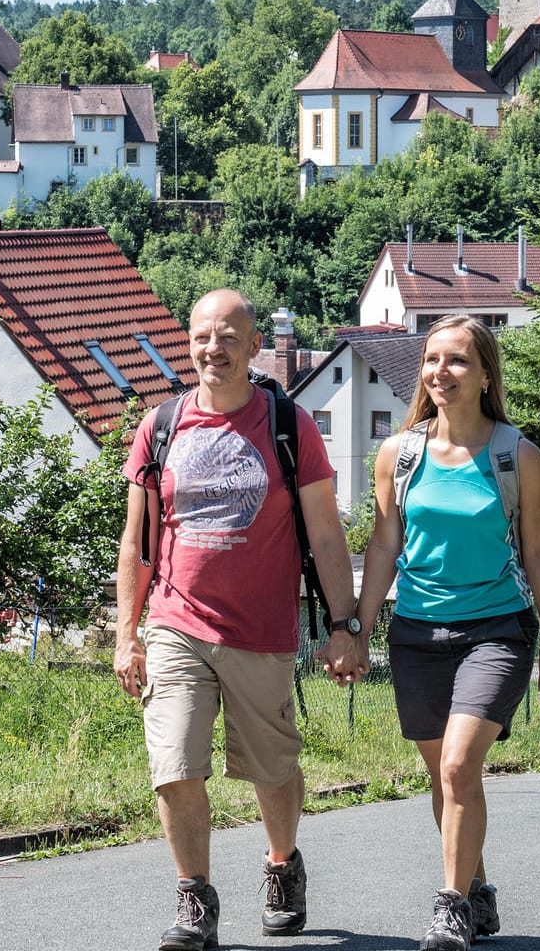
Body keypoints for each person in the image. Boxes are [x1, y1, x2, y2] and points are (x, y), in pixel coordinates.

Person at [115, 289, 366, 951]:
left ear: (255, 347)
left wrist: (345, 625)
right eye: (202, 335)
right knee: (174, 763)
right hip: (175, 624)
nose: (213, 347)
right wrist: (126, 633)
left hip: (261, 632)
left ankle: (282, 863)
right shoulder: (160, 427)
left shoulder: (289, 426)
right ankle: (194, 898)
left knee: (271, 767)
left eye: (229, 336)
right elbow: (136, 542)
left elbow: (326, 534)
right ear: (188, 344)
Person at [347, 315, 540, 951]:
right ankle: (478, 889)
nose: (441, 371)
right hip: (415, 632)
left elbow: (539, 551)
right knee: (444, 778)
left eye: (458, 361)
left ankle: (450, 907)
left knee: (459, 765)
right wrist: (358, 629)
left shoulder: (516, 456)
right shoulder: (400, 454)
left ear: (486, 375)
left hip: (496, 631)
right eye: (432, 359)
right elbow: (383, 544)